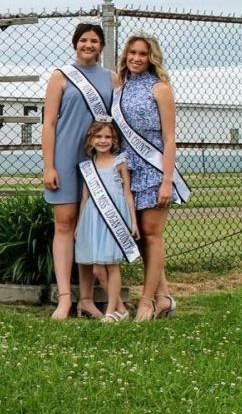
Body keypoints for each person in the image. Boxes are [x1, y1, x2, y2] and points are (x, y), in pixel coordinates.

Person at [42, 22, 118, 320]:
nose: (89, 45)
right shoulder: (60, 77)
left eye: (95, 41)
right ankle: (64, 299)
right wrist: (49, 165)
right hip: (64, 157)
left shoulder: (113, 79)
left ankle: (88, 299)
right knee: (65, 225)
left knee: (90, 226)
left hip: (99, 161)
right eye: (84, 40)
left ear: (101, 46)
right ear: (75, 43)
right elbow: (48, 123)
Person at [113, 33, 188, 321]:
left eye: (142, 54)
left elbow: (170, 139)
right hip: (128, 171)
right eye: (132, 52)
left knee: (153, 235)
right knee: (141, 237)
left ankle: (147, 302)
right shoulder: (120, 86)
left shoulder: (161, 89)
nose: (136, 58)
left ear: (151, 57)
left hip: (154, 169)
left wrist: (167, 180)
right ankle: (164, 297)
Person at [74, 119, 139, 321]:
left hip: (115, 215)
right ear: (91, 140)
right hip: (94, 217)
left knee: (112, 265)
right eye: (98, 136)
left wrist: (134, 222)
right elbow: (85, 197)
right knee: (96, 269)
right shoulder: (87, 166)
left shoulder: (120, 161)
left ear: (114, 140)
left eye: (107, 137)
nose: (103, 141)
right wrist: (79, 225)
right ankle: (122, 309)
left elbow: (128, 193)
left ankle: (111, 311)